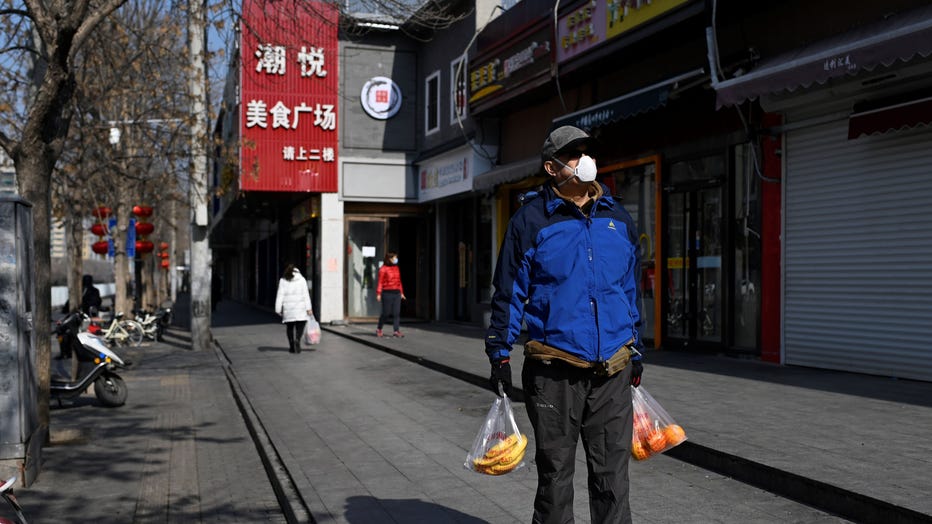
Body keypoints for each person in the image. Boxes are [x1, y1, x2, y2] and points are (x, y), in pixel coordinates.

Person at [485, 125, 644, 523]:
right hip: (554, 370)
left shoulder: (617, 217)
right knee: (555, 475)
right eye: (573, 154)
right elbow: (509, 292)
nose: (583, 161)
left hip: (613, 369)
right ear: (551, 167)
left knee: (613, 477)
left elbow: (628, 289)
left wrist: (635, 347)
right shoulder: (530, 220)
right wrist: (499, 355)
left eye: (586, 152)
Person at [274, 263, 313, 354]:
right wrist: (309, 308)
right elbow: (306, 295)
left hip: (288, 310)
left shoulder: (283, 281)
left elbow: (280, 295)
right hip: (300, 309)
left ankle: (292, 345)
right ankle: (297, 340)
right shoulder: (302, 280)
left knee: (290, 327)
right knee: (301, 325)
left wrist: (278, 309)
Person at [375, 251, 405, 338]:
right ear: (389, 259)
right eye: (394, 258)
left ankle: (396, 331)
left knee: (396, 313)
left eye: (396, 257)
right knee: (386, 313)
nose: (396, 259)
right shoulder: (383, 269)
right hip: (387, 293)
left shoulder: (396, 268)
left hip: (396, 293)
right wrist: (378, 293)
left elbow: (399, 282)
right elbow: (380, 282)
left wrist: (401, 292)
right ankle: (379, 329)